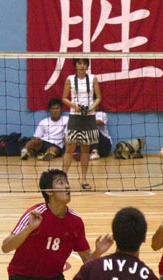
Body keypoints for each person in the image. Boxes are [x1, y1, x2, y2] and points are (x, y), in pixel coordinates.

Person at [1, 169, 113, 280]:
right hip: (22, 276)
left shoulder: (75, 221)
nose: (67, 186)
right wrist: (29, 229)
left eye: (67, 182)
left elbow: (88, 262)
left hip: (54, 277)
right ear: (49, 191)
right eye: (61, 183)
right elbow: (5, 247)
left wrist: (98, 252)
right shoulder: (35, 214)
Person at [73, 207, 159, 280]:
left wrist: (97, 253)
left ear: (114, 236)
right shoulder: (148, 275)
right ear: (143, 238)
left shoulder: (92, 268)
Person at [62, 58, 102, 190]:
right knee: (70, 148)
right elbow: (64, 98)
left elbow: (99, 98)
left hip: (89, 117)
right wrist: (75, 106)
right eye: (79, 63)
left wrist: (91, 107)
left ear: (87, 65)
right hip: (75, 116)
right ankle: (63, 179)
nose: (82, 66)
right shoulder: (69, 79)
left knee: (86, 149)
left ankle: (84, 179)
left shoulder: (93, 78)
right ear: (75, 65)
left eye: (84, 63)